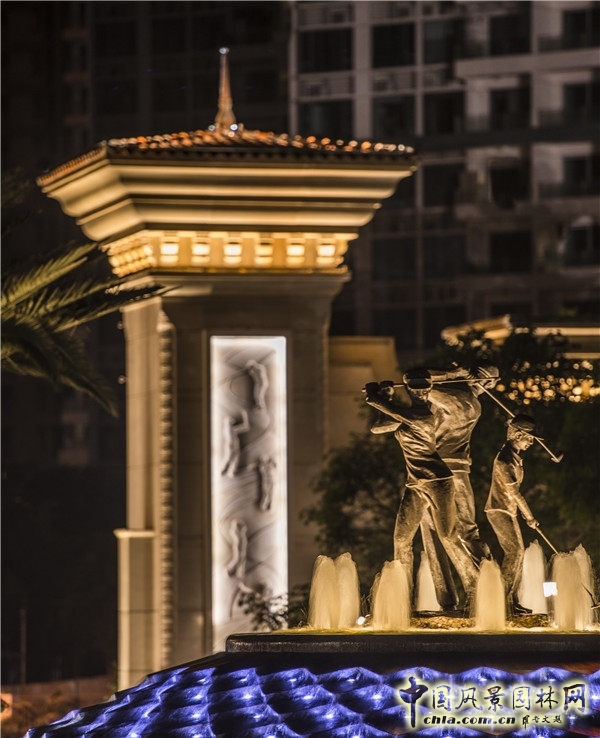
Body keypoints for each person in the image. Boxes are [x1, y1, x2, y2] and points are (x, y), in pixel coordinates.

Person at [415, 364, 498, 610]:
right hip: (435, 470)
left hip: (449, 472)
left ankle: (484, 589)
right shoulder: (461, 399)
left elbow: (417, 383)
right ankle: (451, 599)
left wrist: (454, 374)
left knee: (462, 531)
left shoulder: (464, 401)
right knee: (435, 533)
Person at [364, 373, 456, 589]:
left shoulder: (423, 417)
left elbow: (373, 400)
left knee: (448, 536)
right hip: (415, 484)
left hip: (437, 481)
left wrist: (378, 394)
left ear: (430, 392)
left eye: (425, 389)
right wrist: (387, 397)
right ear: (408, 391)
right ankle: (403, 594)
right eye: (415, 389)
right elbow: (378, 427)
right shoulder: (405, 417)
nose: (421, 393)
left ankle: (475, 584)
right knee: (401, 540)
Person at [485, 414, 540, 615]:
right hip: (499, 510)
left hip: (508, 510)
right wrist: (529, 517)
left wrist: (524, 515)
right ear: (517, 435)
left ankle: (510, 600)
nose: (531, 442)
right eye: (529, 438)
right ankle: (500, 602)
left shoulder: (514, 457)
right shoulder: (505, 460)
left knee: (518, 553)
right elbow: (514, 492)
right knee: (515, 552)